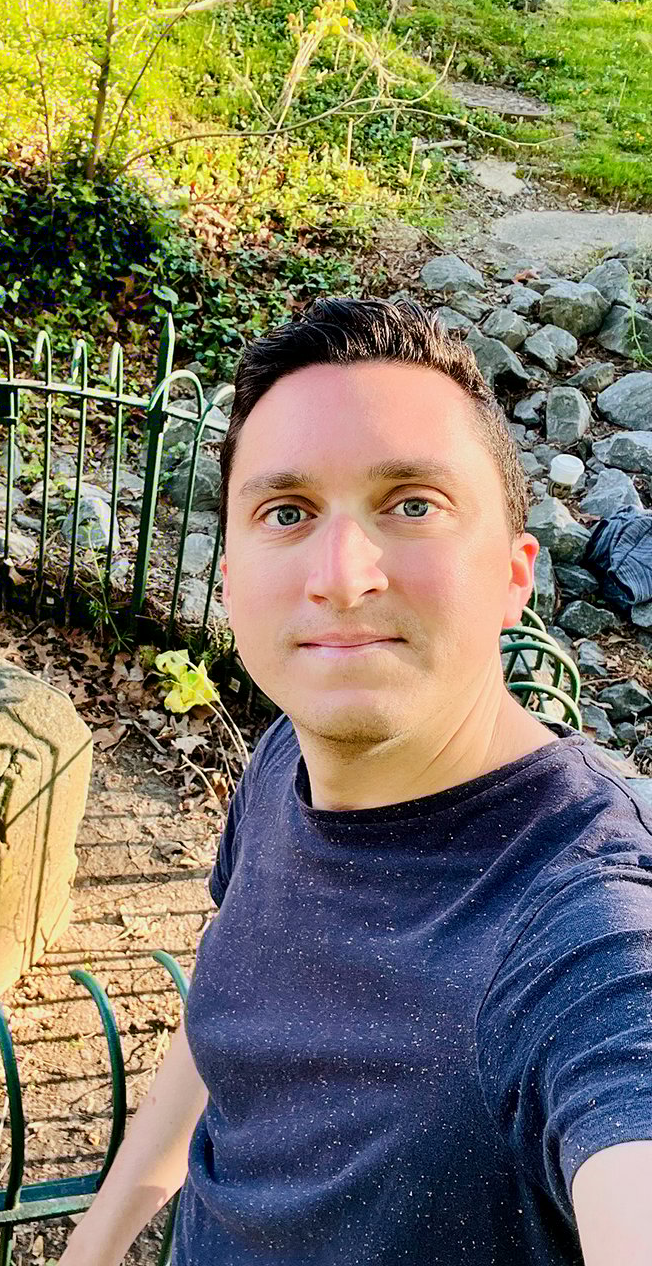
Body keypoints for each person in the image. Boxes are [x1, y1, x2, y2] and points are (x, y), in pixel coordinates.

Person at [59, 298, 652, 1266]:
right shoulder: (283, 758)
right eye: (286, 512)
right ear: (233, 569)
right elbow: (224, 1028)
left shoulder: (578, 928)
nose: (340, 573)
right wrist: (96, 1242)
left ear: (515, 575)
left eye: (411, 503)